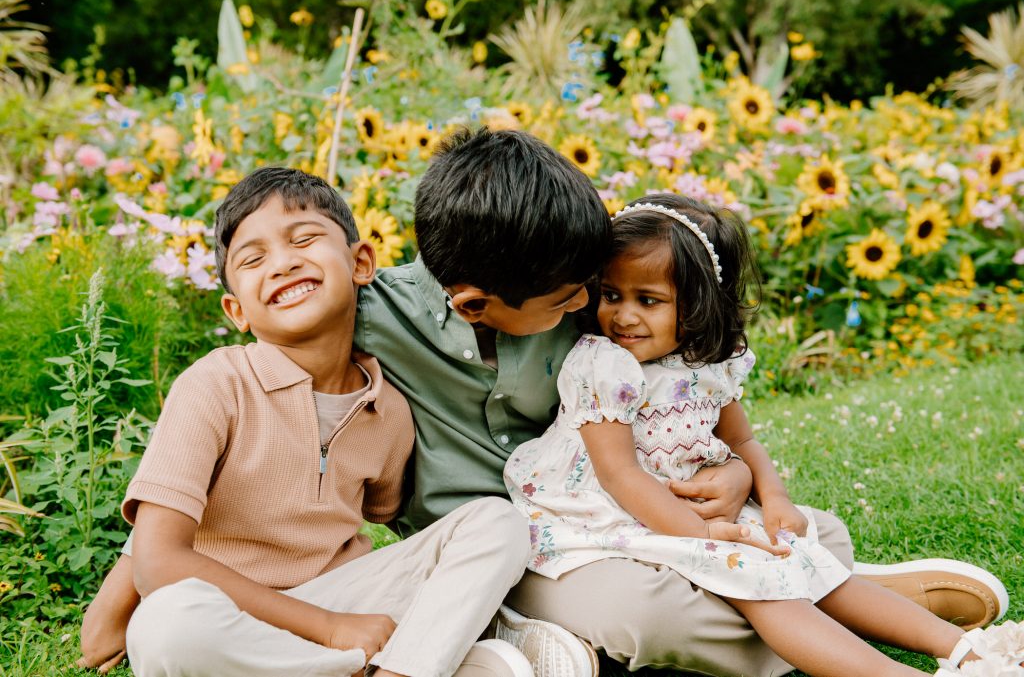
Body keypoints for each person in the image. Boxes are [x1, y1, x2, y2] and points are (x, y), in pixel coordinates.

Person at [80, 130, 1009, 676]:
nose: (591, 308)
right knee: (658, 619)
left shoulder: (574, 297)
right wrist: (137, 575)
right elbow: (254, 388)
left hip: (620, 513)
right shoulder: (361, 316)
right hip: (514, 546)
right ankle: (839, 600)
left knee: (795, 531)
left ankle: (829, 584)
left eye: (594, 290)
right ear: (473, 300)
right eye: (570, 300)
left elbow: (678, 390)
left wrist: (734, 472)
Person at [504, 193, 1019, 676]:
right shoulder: (603, 364)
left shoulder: (709, 364)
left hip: (687, 507)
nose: (624, 315)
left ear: (698, 304)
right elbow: (618, 475)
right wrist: (702, 535)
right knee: (758, 585)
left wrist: (774, 500)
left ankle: (965, 649)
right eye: (612, 295)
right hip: (601, 510)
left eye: (649, 299)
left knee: (800, 555)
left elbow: (743, 443)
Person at [80, 166, 536, 677]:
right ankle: (422, 660)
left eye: (305, 239)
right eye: (253, 259)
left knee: (497, 523)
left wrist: (343, 617)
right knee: (167, 625)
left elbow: (386, 512)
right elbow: (158, 562)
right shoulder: (216, 384)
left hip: (339, 597)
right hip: (229, 608)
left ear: (361, 262)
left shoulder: (389, 411)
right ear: (237, 311)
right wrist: (328, 628)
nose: (283, 264)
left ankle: (398, 667)